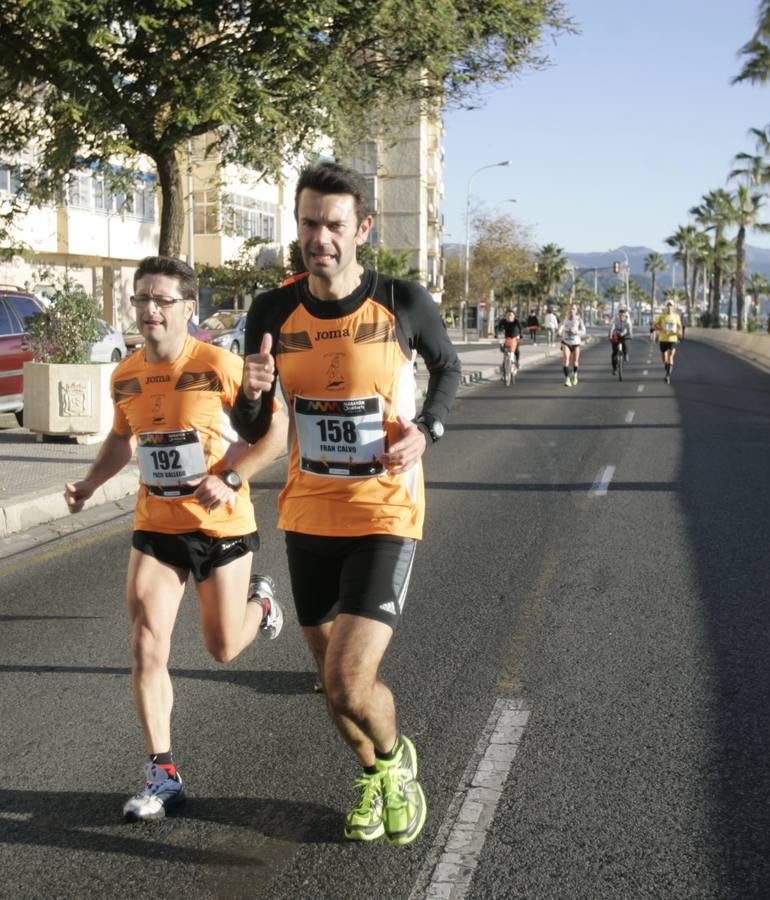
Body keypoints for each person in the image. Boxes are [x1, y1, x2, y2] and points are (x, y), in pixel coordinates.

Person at [233, 161, 461, 846]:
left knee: (349, 680)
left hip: (385, 512)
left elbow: (448, 368)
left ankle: (395, 763)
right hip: (308, 515)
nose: (319, 238)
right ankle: (373, 775)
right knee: (332, 685)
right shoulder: (271, 311)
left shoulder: (401, 300)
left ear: (362, 229)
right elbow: (253, 424)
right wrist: (250, 393)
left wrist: (427, 430)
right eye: (309, 224)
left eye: (334, 225)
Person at [64, 255, 289, 822]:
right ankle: (162, 774)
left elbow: (276, 433)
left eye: (162, 300)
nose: (150, 310)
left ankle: (261, 604)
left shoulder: (218, 364)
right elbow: (122, 439)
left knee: (222, 647)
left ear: (189, 308)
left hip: (220, 523)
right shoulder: (125, 375)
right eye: (141, 298)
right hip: (157, 524)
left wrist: (230, 477)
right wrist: (89, 485)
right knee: (146, 643)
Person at [650, 298, 686, 383]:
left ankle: (668, 375)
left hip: (673, 339)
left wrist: (680, 333)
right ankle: (667, 366)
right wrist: (661, 328)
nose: (669, 307)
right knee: (664, 358)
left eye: (671, 305)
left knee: (671, 356)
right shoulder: (661, 316)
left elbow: (680, 327)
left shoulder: (676, 316)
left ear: (673, 307)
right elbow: (654, 325)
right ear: (666, 307)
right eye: (668, 305)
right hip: (663, 339)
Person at [558, 302, 587, 386]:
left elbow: (584, 332)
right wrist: (559, 331)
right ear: (568, 310)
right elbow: (561, 327)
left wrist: (575, 331)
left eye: (573, 309)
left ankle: (575, 376)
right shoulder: (565, 319)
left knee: (575, 362)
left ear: (576, 310)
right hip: (566, 342)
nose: (571, 310)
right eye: (570, 308)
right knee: (566, 359)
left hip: (576, 343)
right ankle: (567, 379)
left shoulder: (579, 319)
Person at [609, 307, 632, 371]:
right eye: (620, 315)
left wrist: (630, 335)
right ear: (618, 315)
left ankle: (626, 354)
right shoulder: (615, 320)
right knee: (614, 352)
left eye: (623, 315)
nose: (621, 316)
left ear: (625, 315)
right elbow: (612, 328)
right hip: (616, 336)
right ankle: (614, 368)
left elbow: (629, 329)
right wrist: (610, 336)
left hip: (624, 336)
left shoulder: (627, 321)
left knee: (625, 343)